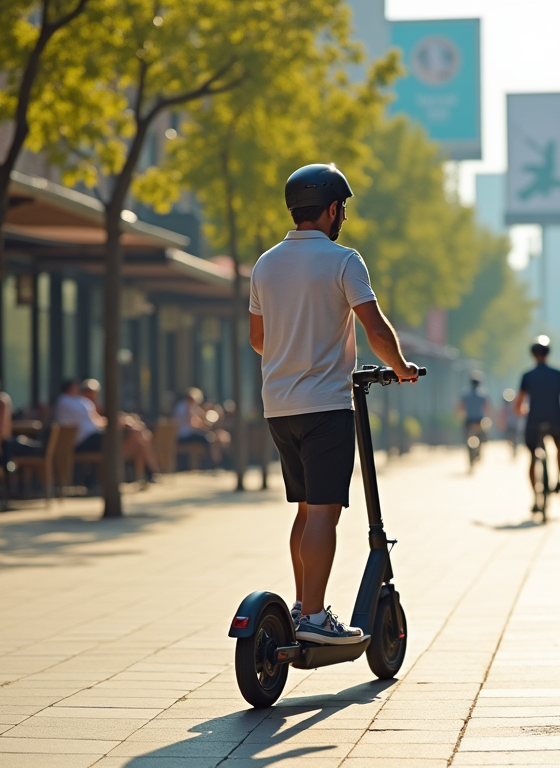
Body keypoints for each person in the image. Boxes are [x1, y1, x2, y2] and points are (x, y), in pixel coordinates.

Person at [249, 163, 419, 645]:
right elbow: (376, 329)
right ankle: (314, 615)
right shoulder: (344, 261)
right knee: (325, 512)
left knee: (304, 511)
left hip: (278, 406)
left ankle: (304, 606)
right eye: (340, 209)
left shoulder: (266, 263)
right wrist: (401, 367)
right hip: (325, 405)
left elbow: (258, 338)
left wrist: (293, 351)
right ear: (331, 210)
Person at [514, 338, 560, 501]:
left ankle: (535, 496)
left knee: (532, 457)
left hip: (533, 420)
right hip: (555, 418)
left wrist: (522, 412)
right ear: (548, 354)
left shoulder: (527, 376)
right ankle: (558, 479)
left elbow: (519, 403)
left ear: (533, 355)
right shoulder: (559, 374)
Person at [79, 379, 160, 480]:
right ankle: (151, 471)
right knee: (137, 436)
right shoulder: (84, 405)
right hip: (94, 441)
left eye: (96, 393)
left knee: (140, 442)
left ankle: (143, 476)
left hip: (105, 438)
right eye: (92, 392)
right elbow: (99, 423)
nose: (95, 395)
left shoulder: (94, 405)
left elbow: (102, 420)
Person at [174, 387, 228, 466]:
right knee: (209, 439)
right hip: (183, 435)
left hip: (184, 434)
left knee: (213, 437)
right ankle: (212, 462)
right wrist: (203, 426)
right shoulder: (186, 407)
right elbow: (191, 424)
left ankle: (215, 460)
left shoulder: (183, 406)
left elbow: (200, 419)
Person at [458, 373, 488, 446]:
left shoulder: (466, 394)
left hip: (469, 419)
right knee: (482, 433)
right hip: (479, 419)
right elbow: (487, 407)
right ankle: (483, 441)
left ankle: (464, 440)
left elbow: (460, 406)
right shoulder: (482, 394)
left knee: (465, 433)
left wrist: (461, 413)